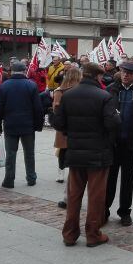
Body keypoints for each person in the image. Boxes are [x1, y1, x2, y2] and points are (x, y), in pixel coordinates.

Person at [51, 63, 120, 247]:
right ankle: (93, 233)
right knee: (96, 196)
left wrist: (71, 132)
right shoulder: (104, 96)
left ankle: (70, 233)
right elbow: (111, 124)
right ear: (98, 77)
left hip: (75, 151)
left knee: (74, 195)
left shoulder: (68, 95)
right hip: (99, 153)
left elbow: (58, 123)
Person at [105, 61, 133, 223]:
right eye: (123, 72)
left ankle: (125, 211)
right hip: (113, 143)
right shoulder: (111, 89)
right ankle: (105, 209)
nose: (125, 75)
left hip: (131, 143)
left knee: (128, 180)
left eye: (129, 73)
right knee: (110, 179)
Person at [0, 61, 44, 188]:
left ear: (11, 71)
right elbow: (38, 108)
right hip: (28, 125)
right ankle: (31, 178)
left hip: (10, 124)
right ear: (24, 70)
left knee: (11, 154)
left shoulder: (4, 86)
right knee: (29, 153)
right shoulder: (31, 85)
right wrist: (38, 125)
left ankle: (9, 180)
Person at [52, 67, 82, 208]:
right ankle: (68, 195)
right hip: (75, 131)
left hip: (66, 130)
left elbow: (56, 112)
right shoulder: (75, 91)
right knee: (74, 165)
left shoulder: (60, 91)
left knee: (67, 159)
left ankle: (67, 194)